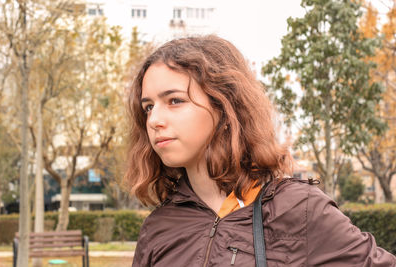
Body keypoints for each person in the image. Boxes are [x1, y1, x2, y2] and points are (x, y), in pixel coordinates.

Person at [125, 35, 396, 266]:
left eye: (174, 100)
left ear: (225, 106)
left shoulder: (299, 209)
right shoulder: (158, 228)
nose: (154, 120)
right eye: (148, 106)